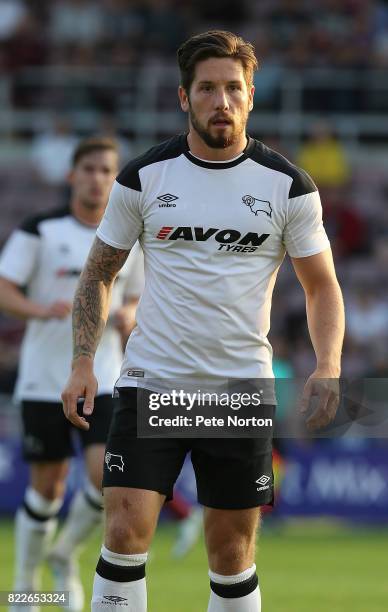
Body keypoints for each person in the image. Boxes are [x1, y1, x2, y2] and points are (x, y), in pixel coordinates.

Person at [62, 30, 345, 612]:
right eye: (208, 88)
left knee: (232, 553)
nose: (222, 101)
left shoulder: (288, 186)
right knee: (122, 534)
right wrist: (84, 361)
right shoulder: (144, 177)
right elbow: (97, 275)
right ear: (183, 97)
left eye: (234, 89)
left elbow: (321, 286)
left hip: (238, 388)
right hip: (152, 382)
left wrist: (330, 364)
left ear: (251, 96)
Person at [0, 137, 143, 612]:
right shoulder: (41, 229)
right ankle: (26, 585)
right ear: (72, 176)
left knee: (106, 476)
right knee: (47, 487)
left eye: (107, 170)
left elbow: (140, 295)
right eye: (89, 169)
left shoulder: (127, 234)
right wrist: (39, 309)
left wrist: (130, 314)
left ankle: (65, 555)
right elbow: (3, 286)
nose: (98, 178)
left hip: (104, 376)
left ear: (115, 178)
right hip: (44, 379)